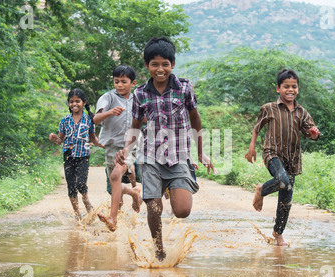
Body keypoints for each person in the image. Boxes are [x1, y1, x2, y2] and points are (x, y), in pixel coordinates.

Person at [115, 37, 217, 261]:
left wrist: (200, 152)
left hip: (179, 156)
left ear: (172, 64)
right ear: (146, 66)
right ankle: (159, 248)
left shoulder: (184, 87)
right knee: (153, 207)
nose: (160, 69)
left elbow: (195, 118)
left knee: (182, 211)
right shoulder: (140, 94)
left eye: (165, 64)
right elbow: (135, 126)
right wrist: (126, 151)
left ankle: (172, 188)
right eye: (154, 64)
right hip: (150, 156)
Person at [245, 69, 320, 246]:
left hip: (292, 159)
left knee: (286, 200)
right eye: (286, 86)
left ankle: (278, 234)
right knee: (282, 180)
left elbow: (311, 133)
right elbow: (257, 128)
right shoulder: (269, 108)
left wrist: (313, 134)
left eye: (294, 86)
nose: (290, 89)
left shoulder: (302, 112)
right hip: (272, 153)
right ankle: (261, 189)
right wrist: (252, 148)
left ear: (298, 89)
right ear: (278, 88)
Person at [93, 65, 142, 231]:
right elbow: (95, 119)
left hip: (130, 145)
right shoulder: (108, 97)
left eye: (123, 82)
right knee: (115, 187)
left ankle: (113, 219)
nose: (119, 85)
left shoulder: (137, 100)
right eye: (116, 82)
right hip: (111, 146)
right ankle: (134, 193)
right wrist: (110, 113)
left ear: (132, 83)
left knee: (115, 176)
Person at [49, 88, 103, 220]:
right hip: (68, 155)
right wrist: (55, 138)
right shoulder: (65, 120)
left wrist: (103, 145)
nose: (74, 104)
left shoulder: (89, 120)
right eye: (71, 102)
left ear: (84, 102)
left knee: (81, 184)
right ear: (68, 103)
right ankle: (77, 214)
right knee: (71, 185)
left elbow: (93, 138)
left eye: (77, 101)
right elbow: (60, 140)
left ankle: (86, 200)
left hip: (83, 155)